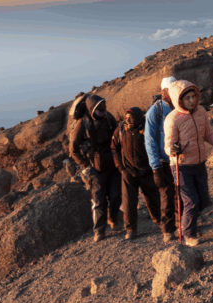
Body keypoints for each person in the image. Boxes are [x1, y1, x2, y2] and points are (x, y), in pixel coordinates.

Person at [164, 80, 213, 246]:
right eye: (187, 98)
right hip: (181, 166)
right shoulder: (172, 119)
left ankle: (189, 223)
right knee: (191, 201)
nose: (192, 101)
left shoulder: (201, 112)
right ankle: (189, 234)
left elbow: (208, 135)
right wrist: (172, 149)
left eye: (193, 97)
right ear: (178, 100)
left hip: (199, 163)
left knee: (203, 199)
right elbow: (167, 145)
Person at [68, 94, 122, 242]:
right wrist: (85, 166)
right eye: (99, 107)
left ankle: (113, 217)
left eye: (103, 106)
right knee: (99, 200)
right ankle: (99, 231)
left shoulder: (108, 118)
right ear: (92, 109)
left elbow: (117, 136)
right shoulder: (82, 123)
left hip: (112, 163)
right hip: (95, 167)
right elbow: (73, 149)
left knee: (116, 195)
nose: (102, 109)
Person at [111, 107, 162, 241]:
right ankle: (131, 229)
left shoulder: (147, 128)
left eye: (131, 119)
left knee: (153, 197)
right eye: (126, 118)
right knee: (128, 202)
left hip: (146, 170)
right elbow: (114, 148)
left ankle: (158, 220)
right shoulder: (121, 130)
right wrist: (121, 168)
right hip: (128, 172)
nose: (128, 121)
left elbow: (155, 144)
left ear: (138, 119)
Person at [145, 76, 179, 242]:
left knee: (183, 193)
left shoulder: (179, 107)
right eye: (169, 90)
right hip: (164, 162)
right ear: (163, 92)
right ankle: (168, 229)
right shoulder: (155, 112)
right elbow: (149, 140)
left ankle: (185, 224)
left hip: (179, 159)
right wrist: (155, 167)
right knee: (166, 195)